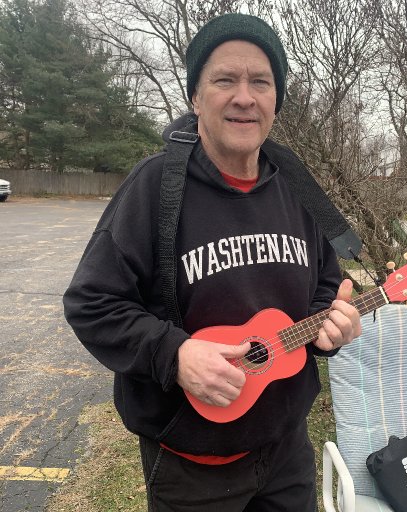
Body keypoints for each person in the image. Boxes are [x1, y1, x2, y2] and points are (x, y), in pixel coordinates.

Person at [63, 12, 361, 512]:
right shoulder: (155, 186)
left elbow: (326, 288)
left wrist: (332, 323)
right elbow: (91, 303)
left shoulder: (298, 187)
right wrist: (175, 355)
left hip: (286, 451)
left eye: (260, 82)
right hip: (191, 469)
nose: (245, 97)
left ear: (276, 100)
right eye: (225, 80)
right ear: (195, 97)